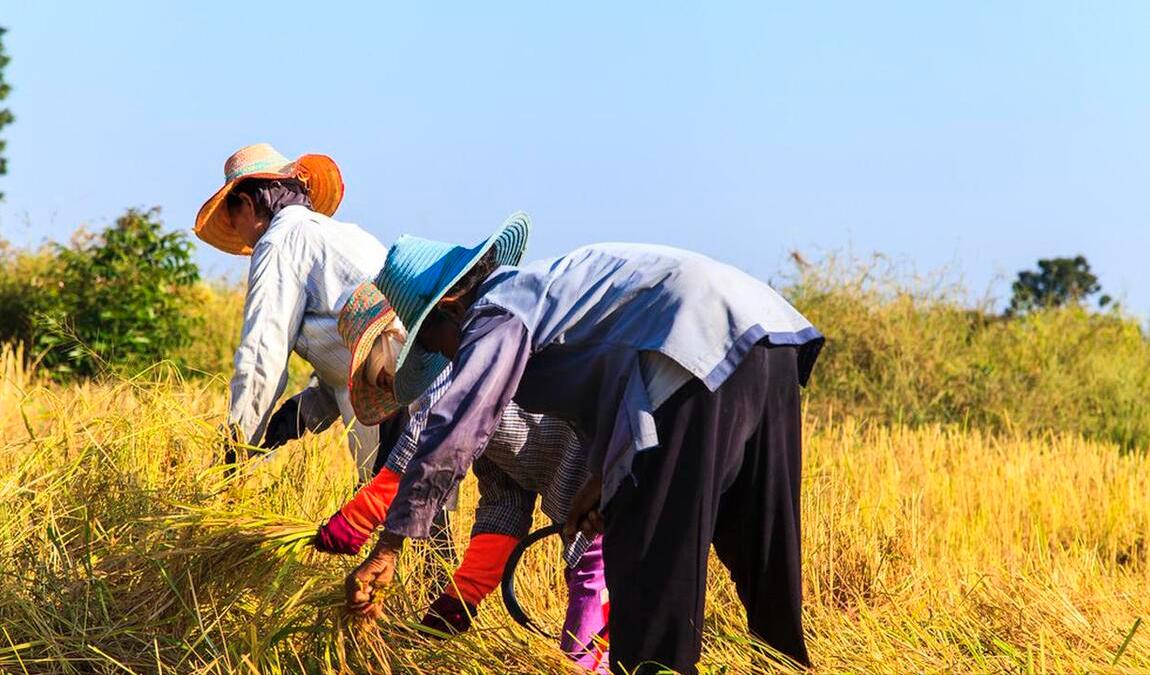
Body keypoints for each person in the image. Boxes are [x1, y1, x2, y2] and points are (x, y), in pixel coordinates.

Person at [347, 214, 824, 674]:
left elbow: (454, 431)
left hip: (692, 346)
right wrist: (601, 478)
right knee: (763, 550)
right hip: (764, 330)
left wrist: (388, 548)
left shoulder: (498, 311)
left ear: (451, 305)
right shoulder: (548, 292)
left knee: (649, 584)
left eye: (432, 344)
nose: (444, 357)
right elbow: (615, 379)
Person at [316, 282, 608, 669]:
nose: (382, 383)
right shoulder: (464, 399)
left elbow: (421, 454)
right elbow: (505, 500)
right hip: (578, 502)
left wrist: (355, 521)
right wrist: (460, 600)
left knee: (587, 638)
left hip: (602, 477)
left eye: (374, 367)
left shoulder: (457, 369)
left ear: (399, 340)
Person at [193, 143, 386, 472]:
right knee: (426, 516)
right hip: (423, 388)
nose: (237, 229)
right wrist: (301, 413)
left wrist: (236, 452)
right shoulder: (347, 235)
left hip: (385, 398)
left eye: (232, 215)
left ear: (246, 203)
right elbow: (345, 347)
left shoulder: (279, 242)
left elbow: (260, 359)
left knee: (393, 517)